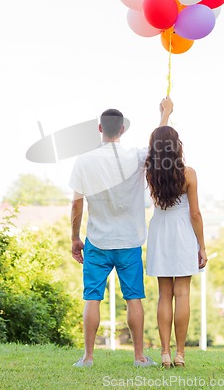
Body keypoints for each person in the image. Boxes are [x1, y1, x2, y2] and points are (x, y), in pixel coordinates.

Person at [69, 98, 173, 368]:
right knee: (133, 298)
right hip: (129, 241)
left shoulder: (84, 160)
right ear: (123, 130)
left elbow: (77, 203)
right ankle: (139, 357)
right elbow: (157, 144)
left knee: (92, 297)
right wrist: (165, 114)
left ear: (100, 128)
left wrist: (74, 238)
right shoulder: (135, 157)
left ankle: (88, 357)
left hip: (97, 241)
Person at [145, 124, 208, 368]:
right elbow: (195, 214)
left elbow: (155, 145)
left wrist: (165, 114)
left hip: (160, 232)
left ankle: (164, 353)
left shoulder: (150, 172)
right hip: (183, 232)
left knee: (164, 295)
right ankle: (180, 353)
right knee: (182, 294)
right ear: (177, 145)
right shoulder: (188, 173)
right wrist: (201, 246)